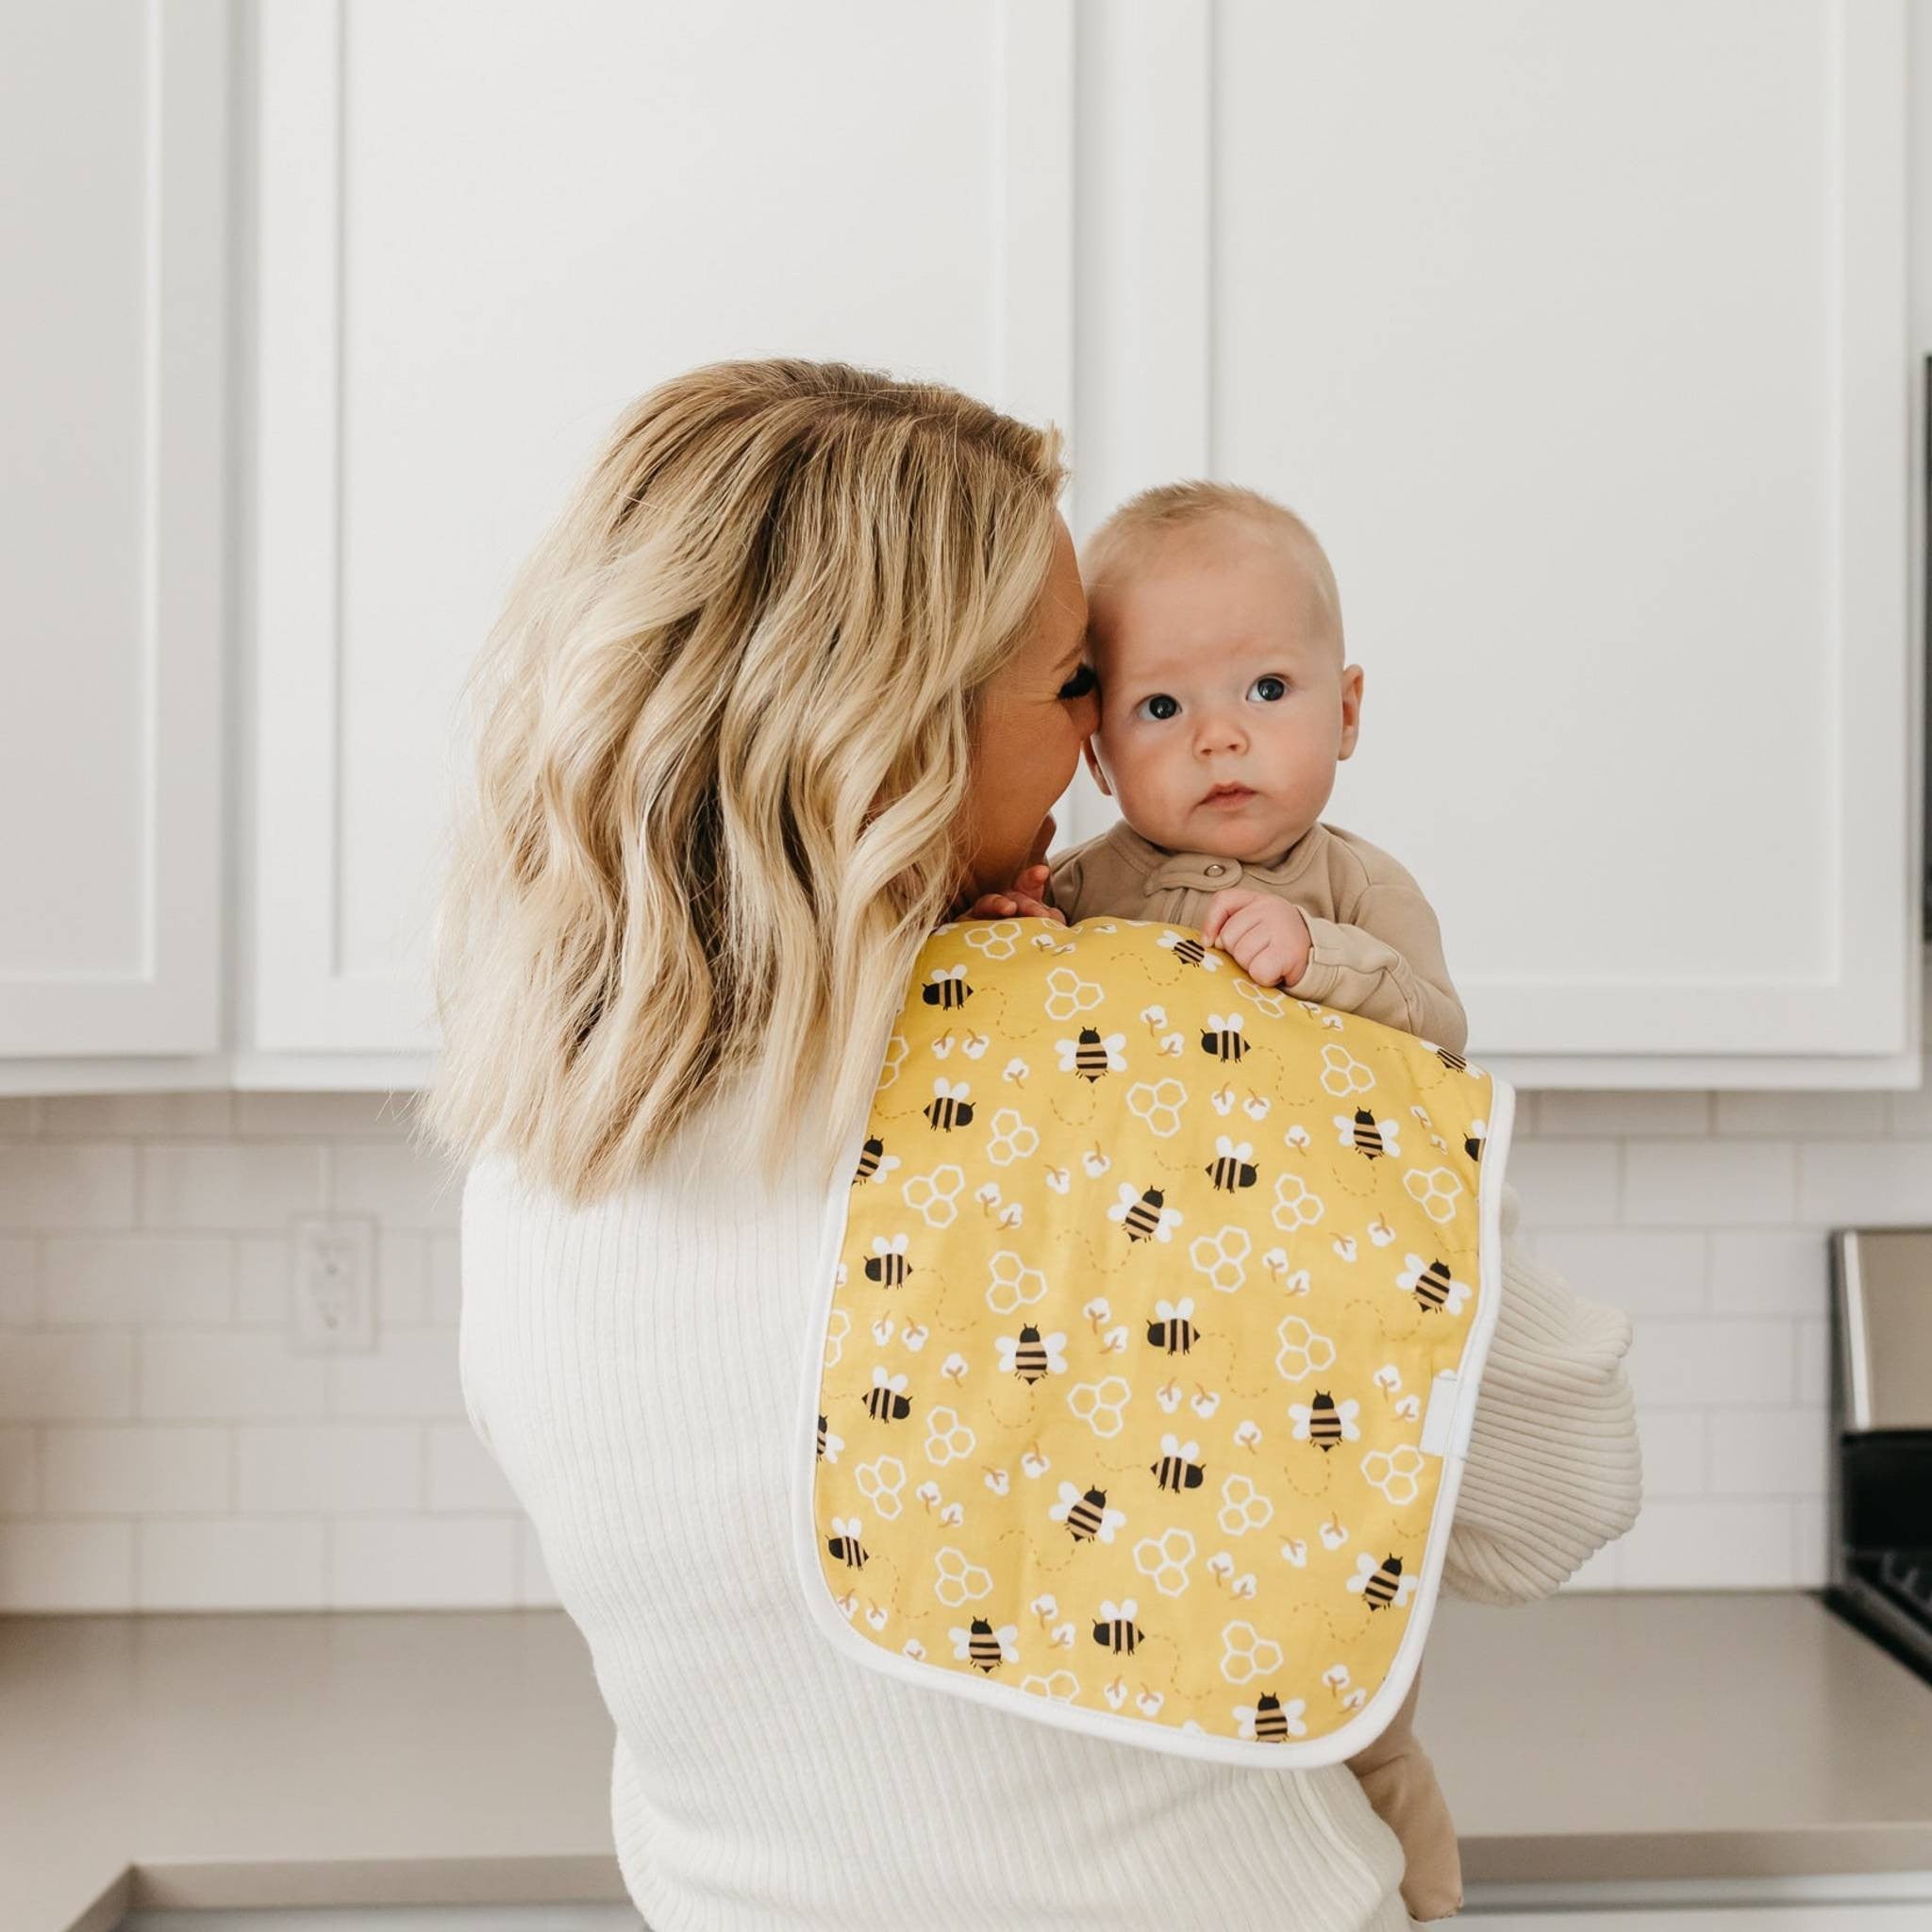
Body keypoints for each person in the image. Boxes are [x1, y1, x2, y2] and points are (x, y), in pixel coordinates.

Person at [419, 358, 1642, 1932]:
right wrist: (1363, 1080)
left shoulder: (540, 1134)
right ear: (904, 722)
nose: (1097, 753)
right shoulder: (1163, 1044)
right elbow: (1566, 1489)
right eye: (1081, 684)